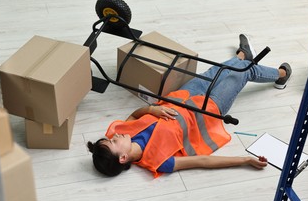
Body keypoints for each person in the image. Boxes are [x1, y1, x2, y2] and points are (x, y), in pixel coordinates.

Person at [87, 34, 292, 178]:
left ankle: (241, 56)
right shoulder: (159, 161)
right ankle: (281, 75)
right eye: (113, 142)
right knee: (243, 72)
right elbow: (202, 161)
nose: (113, 136)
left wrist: (151, 110)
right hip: (209, 109)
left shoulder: (122, 130)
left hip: (184, 95)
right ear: (123, 158)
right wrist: (244, 161)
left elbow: (134, 114)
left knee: (218, 71)